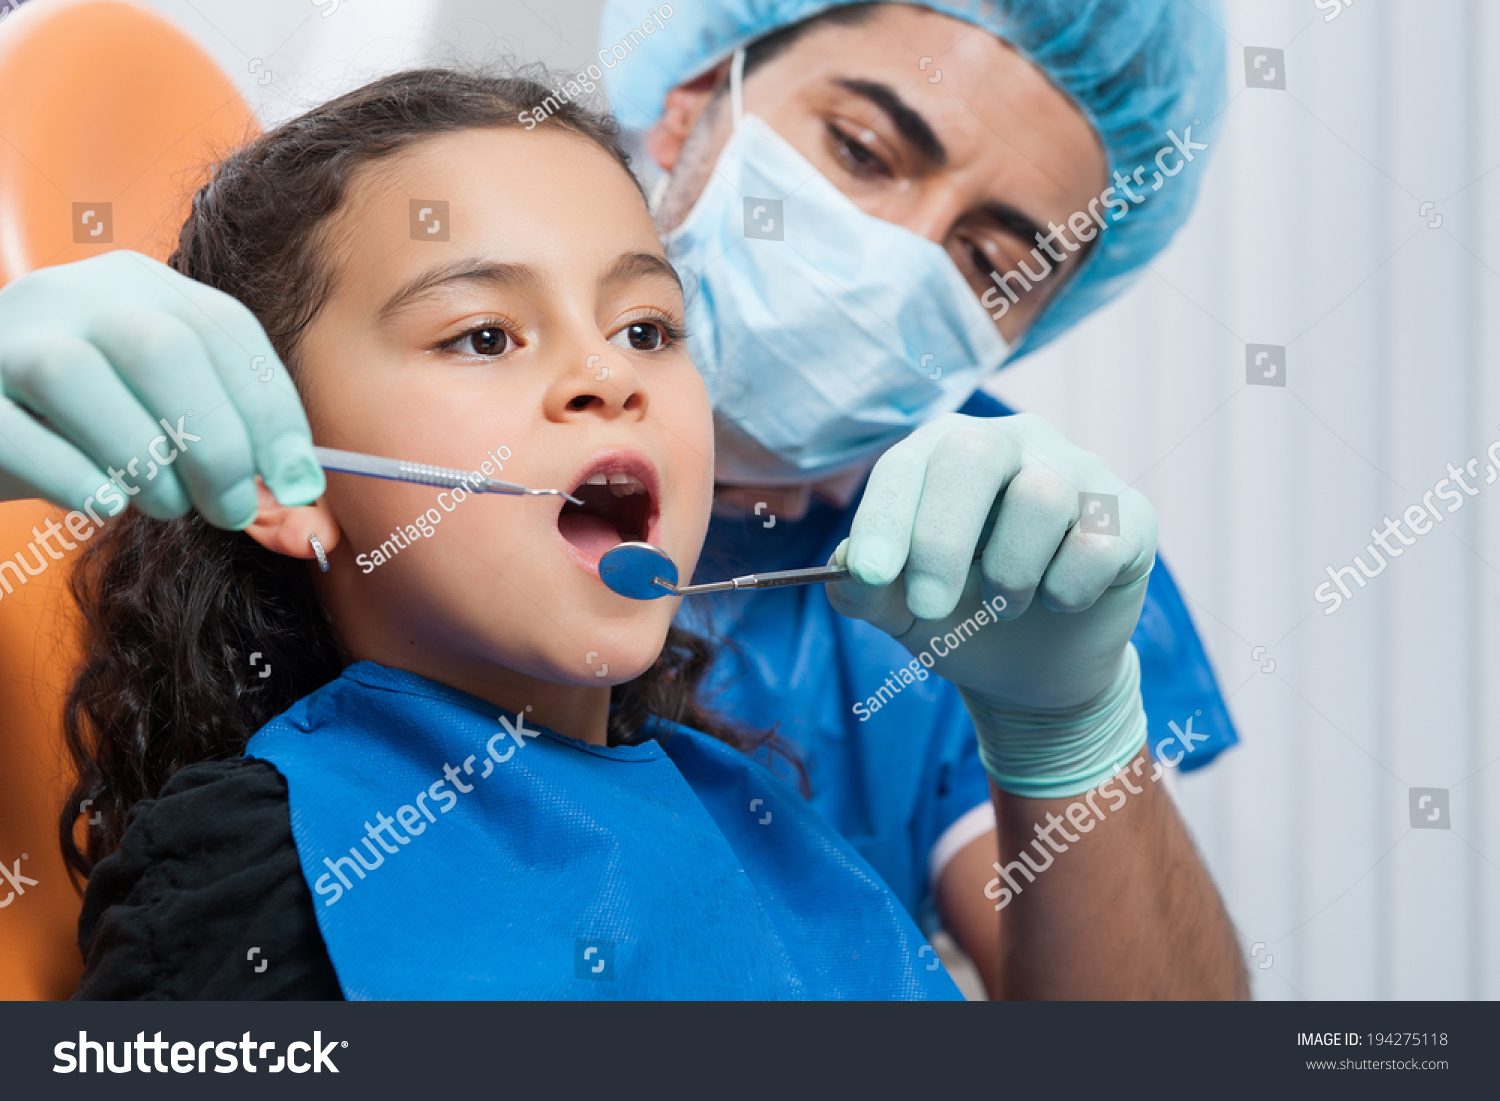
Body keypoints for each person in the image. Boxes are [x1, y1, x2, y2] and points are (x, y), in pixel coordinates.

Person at [0, 1, 1245, 998]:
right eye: (485, 334)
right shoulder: (261, 872)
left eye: (648, 327)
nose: (604, 374)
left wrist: (1071, 729)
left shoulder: (1004, 551)